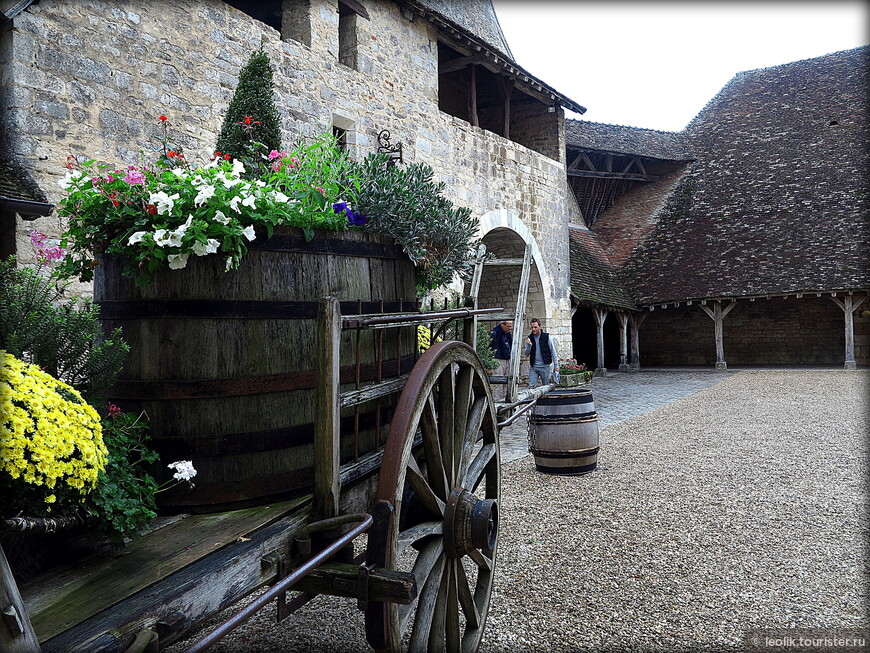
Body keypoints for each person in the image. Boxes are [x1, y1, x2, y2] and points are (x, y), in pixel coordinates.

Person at [524, 317, 558, 388]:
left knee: (546, 387)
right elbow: (526, 354)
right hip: (534, 367)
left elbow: (553, 352)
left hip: (545, 367)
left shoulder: (547, 337)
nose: (533, 329)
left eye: (535, 327)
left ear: (540, 326)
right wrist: (529, 346)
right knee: (531, 387)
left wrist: (556, 366)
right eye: (532, 327)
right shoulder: (529, 338)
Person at [489, 320, 513, 400]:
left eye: (510, 326)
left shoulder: (508, 334)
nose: (510, 328)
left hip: (507, 359)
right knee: (498, 381)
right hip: (498, 359)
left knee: (507, 381)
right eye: (508, 326)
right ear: (502, 325)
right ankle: (497, 400)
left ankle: (506, 399)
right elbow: (490, 346)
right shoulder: (495, 333)